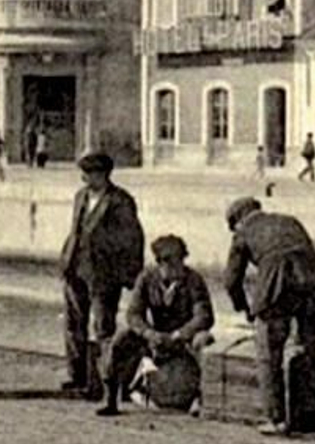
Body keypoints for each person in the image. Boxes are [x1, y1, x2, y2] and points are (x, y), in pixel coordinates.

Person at [223, 197, 315, 436]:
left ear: (238, 221)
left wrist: (244, 307)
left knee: (268, 354)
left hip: (276, 289)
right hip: (313, 283)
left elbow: (231, 280)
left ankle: (276, 420)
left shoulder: (243, 232)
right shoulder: (289, 221)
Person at [97, 234, 215, 417]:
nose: (178, 268)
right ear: (160, 263)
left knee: (204, 339)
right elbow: (133, 314)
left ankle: (200, 400)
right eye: (172, 263)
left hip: (184, 339)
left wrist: (179, 334)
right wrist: (149, 333)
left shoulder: (194, 281)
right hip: (155, 337)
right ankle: (110, 398)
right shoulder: (146, 278)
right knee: (121, 339)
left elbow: (204, 317)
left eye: (180, 262)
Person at [59, 152, 145, 398]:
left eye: (88, 174)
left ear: (102, 175)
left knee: (103, 328)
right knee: (73, 325)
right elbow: (75, 232)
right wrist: (66, 261)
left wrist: (129, 275)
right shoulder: (81, 196)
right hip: (75, 269)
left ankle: (104, 381)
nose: (83, 178)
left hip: (104, 275)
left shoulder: (120, 201)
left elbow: (133, 238)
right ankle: (77, 376)